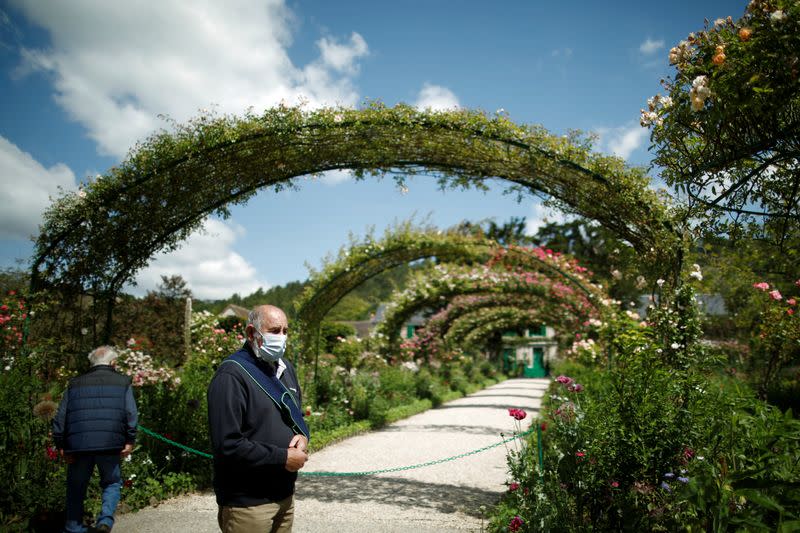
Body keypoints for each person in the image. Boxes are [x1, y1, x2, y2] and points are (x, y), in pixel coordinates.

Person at [208, 304, 310, 533]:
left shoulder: (285, 369)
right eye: (274, 331)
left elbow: (297, 418)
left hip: (284, 496)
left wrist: (303, 437)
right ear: (251, 333)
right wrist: (282, 457)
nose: (282, 337)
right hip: (249, 503)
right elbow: (227, 444)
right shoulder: (232, 375)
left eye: (285, 331)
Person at [52, 345, 138, 533]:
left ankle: (73, 527)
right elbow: (131, 414)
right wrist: (130, 440)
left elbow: (60, 417)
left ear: (92, 363)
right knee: (111, 483)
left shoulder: (74, 383)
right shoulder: (122, 382)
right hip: (110, 443)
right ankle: (104, 521)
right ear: (113, 362)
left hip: (78, 445)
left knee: (76, 487)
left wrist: (61, 444)